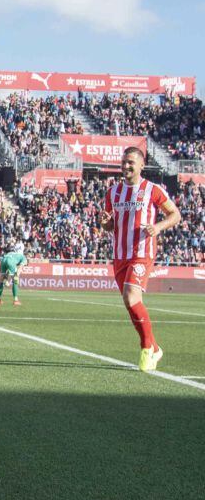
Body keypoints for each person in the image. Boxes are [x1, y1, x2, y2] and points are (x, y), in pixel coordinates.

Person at [100, 147, 182, 372]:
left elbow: (175, 214)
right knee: (130, 303)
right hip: (119, 254)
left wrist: (157, 226)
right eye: (124, 162)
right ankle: (155, 347)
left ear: (141, 165)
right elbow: (110, 226)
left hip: (142, 252)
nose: (126, 166)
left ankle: (146, 348)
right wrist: (105, 221)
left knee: (130, 295)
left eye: (131, 163)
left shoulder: (152, 190)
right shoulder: (113, 193)